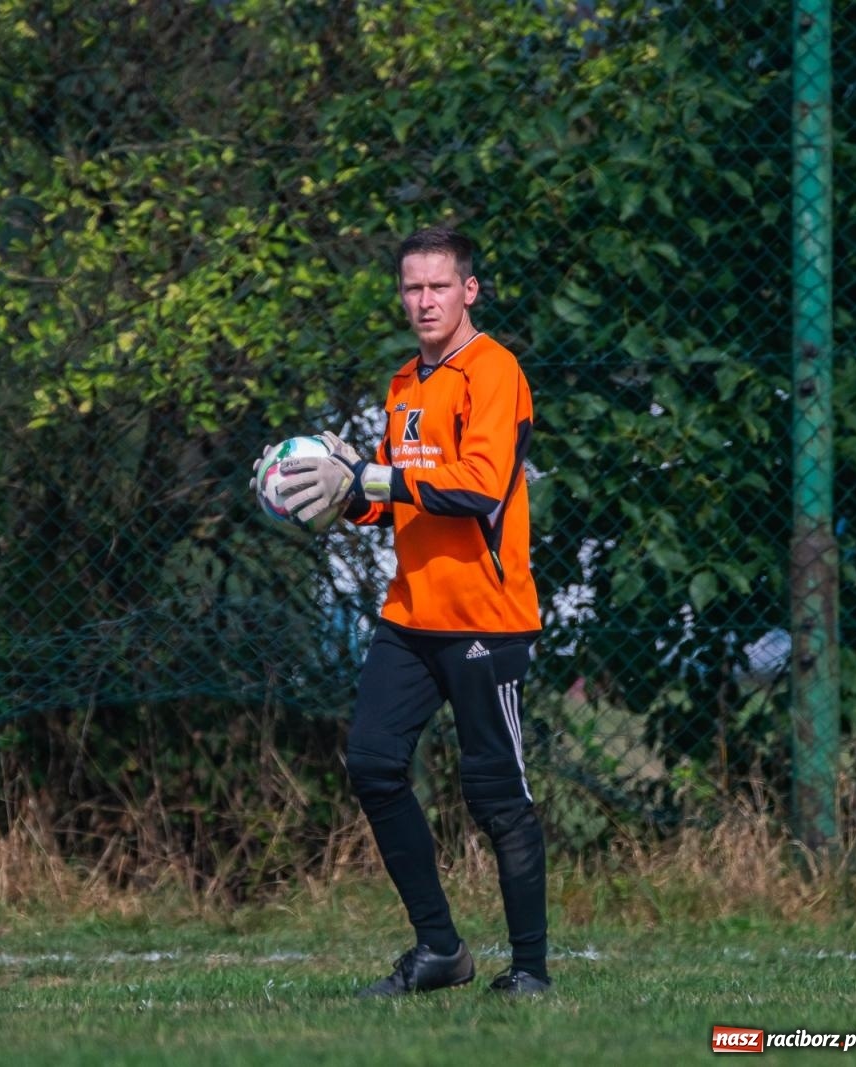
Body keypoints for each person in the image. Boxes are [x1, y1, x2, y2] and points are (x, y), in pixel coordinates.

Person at [275, 226, 549, 997]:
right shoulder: (405, 382)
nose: (424, 301)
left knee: (496, 796)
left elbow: (478, 488)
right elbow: (399, 500)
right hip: (411, 616)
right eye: (412, 288)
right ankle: (440, 949)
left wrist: (371, 475)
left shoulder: (494, 371)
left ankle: (530, 969)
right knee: (372, 763)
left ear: (469, 290)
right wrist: (335, 493)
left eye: (439, 286)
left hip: (486, 620)